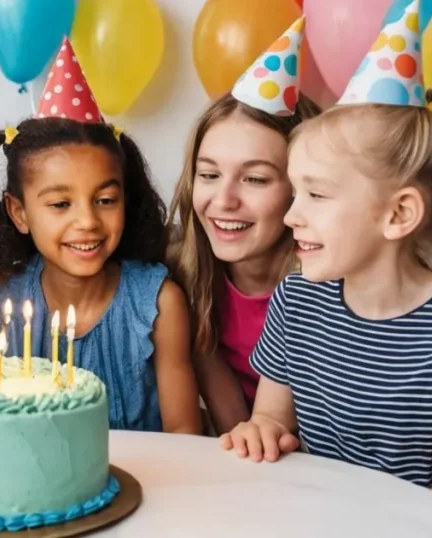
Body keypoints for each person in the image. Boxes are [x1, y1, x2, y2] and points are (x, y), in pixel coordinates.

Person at [220, 0, 432, 518]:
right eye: (294, 193)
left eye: (316, 195)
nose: (291, 216)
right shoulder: (295, 302)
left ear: (398, 214)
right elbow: (273, 420)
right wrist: (261, 432)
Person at [0, 39, 201, 434]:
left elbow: (185, 438)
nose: (88, 221)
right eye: (60, 204)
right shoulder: (1, 302)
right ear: (19, 213)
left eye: (105, 199)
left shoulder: (158, 305)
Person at [167, 17, 318, 434]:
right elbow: (236, 427)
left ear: (301, 189)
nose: (225, 200)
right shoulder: (189, 278)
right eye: (210, 175)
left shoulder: (331, 287)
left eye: (255, 178)